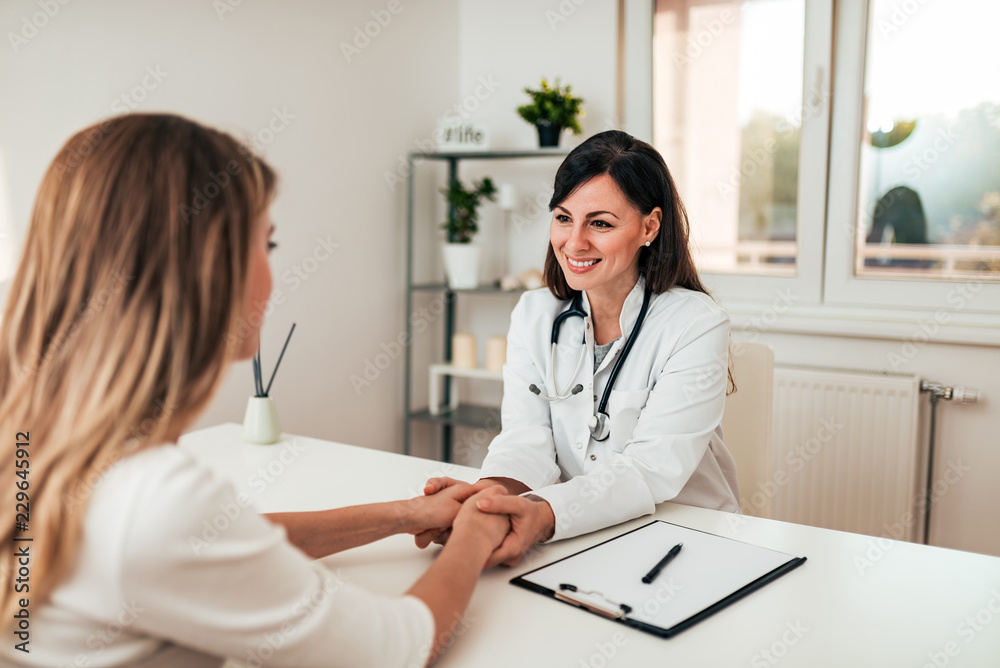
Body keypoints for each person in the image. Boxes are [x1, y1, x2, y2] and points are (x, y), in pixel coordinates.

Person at [0, 113, 509, 668]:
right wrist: (476, 534)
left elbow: (213, 550)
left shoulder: (40, 437)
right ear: (209, 269)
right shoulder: (153, 498)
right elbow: (395, 647)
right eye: (267, 244)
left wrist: (405, 513)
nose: (272, 273)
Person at [422, 130, 740, 566]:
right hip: (581, 536)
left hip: (683, 540)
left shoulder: (695, 325)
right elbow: (526, 438)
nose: (574, 242)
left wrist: (544, 514)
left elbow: (650, 470)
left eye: (601, 223)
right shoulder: (535, 314)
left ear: (650, 226)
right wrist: (489, 501)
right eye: (563, 217)